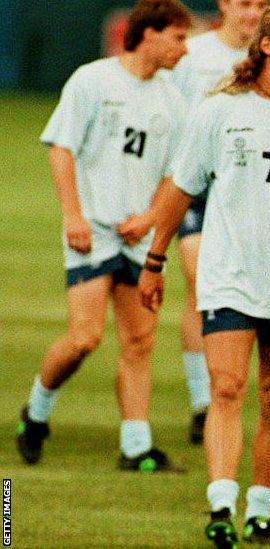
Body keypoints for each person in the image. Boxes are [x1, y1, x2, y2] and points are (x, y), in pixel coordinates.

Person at [138, 2, 270, 545]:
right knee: (227, 388)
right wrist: (155, 258)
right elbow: (180, 187)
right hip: (228, 274)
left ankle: (261, 508)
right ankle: (220, 505)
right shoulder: (218, 110)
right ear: (267, 46)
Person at [15, 0, 191, 472]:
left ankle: (136, 447)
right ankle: (36, 410)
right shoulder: (93, 80)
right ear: (149, 33)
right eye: (178, 37)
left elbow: (176, 175)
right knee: (85, 338)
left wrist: (152, 217)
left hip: (137, 239)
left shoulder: (174, 99)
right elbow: (61, 149)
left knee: (139, 343)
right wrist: (73, 216)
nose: (184, 49)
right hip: (92, 232)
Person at [169, 0, 267, 445]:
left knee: (249, 288)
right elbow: (169, 117)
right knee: (200, 282)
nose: (253, 12)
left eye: (262, 4)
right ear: (225, 4)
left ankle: (232, 388)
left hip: (252, 188)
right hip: (201, 185)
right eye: (246, 3)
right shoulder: (194, 55)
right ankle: (203, 398)